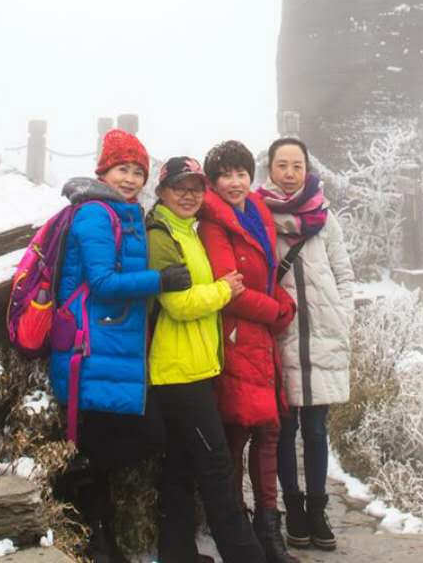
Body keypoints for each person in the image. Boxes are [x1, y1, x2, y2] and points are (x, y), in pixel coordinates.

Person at [50, 128, 191, 563]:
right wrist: (160, 281)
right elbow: (103, 283)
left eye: (137, 171)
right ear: (103, 171)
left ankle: (99, 532)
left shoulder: (125, 213)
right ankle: (95, 533)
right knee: (117, 442)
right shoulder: (95, 214)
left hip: (114, 348)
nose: (130, 179)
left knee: (120, 443)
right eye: (121, 169)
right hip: (89, 350)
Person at [145, 155, 266, 563]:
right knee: (216, 469)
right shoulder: (161, 233)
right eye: (179, 186)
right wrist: (222, 291)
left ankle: (176, 554)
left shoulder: (188, 230)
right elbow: (177, 304)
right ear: (161, 190)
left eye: (196, 187)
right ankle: (247, 556)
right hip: (178, 372)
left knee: (180, 467)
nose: (189, 194)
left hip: (193, 366)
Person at [199, 140, 300, 563]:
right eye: (226, 175)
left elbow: (262, 276)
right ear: (213, 181)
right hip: (237, 337)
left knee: (269, 433)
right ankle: (240, 536)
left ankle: (268, 533)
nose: (236, 182)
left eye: (242, 173)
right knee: (237, 433)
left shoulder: (256, 213)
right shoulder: (212, 224)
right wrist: (278, 310)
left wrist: (280, 301)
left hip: (261, 341)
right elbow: (232, 290)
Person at [256, 137, 355, 552]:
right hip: (282, 336)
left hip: (324, 336)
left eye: (297, 165)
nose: (290, 173)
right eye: (283, 165)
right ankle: (292, 508)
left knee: (316, 430)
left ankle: (317, 509)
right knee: (284, 428)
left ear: (307, 169)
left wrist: (343, 317)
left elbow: (344, 273)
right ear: (271, 170)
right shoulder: (259, 216)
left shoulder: (325, 217)